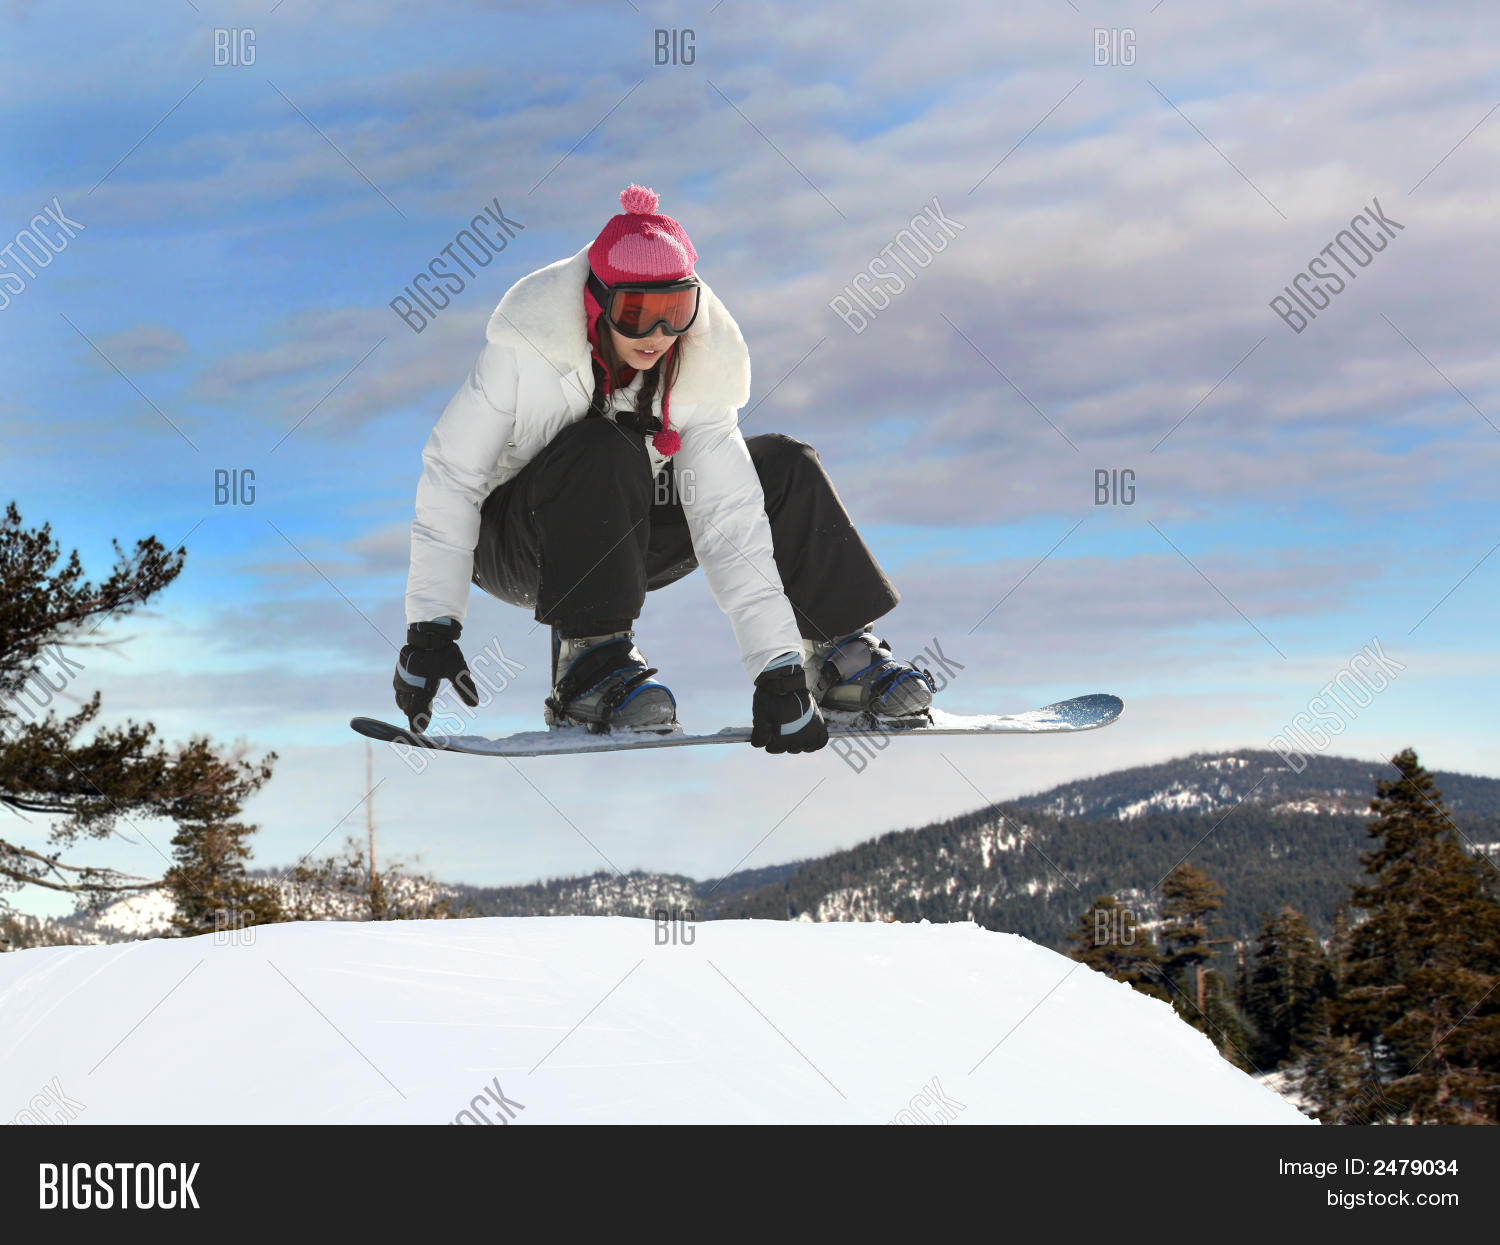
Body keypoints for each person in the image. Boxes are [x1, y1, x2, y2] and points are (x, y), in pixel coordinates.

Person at [395, 185, 935, 754]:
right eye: (636, 314)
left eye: (674, 312)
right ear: (597, 303)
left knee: (781, 463)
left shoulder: (698, 369)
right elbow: (451, 475)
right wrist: (431, 627)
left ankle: (838, 659)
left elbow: (730, 512)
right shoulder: (524, 351)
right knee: (606, 444)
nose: (657, 336)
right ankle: (591, 665)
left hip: (627, 533)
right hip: (516, 541)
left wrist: (776, 670)